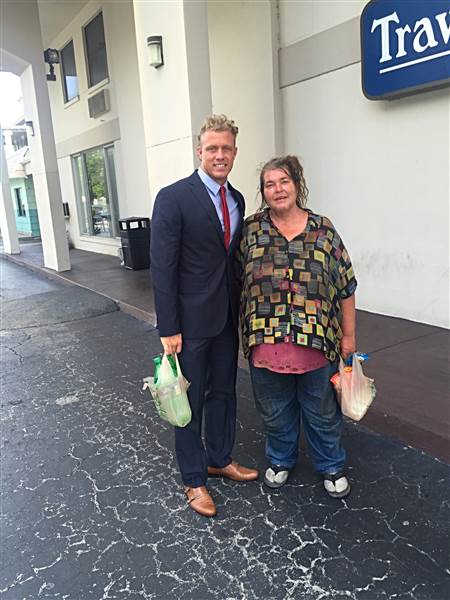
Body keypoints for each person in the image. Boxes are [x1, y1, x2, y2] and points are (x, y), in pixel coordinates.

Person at [150, 115, 259, 517]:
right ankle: (194, 480)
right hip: (190, 323)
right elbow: (162, 267)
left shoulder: (238, 199)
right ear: (200, 150)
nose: (219, 155)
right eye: (212, 148)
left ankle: (220, 458)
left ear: (234, 152)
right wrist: (169, 326)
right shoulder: (174, 197)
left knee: (225, 393)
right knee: (189, 399)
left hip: (226, 317)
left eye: (225, 148)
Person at [239, 155, 357, 498]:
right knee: (274, 410)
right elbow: (232, 280)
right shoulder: (252, 230)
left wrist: (348, 336)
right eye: (269, 184)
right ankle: (280, 459)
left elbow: (347, 285)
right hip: (265, 341)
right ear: (263, 192)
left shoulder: (323, 230)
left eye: (284, 182)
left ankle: (331, 464)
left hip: (316, 342)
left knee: (321, 410)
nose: (277, 190)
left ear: (297, 184)